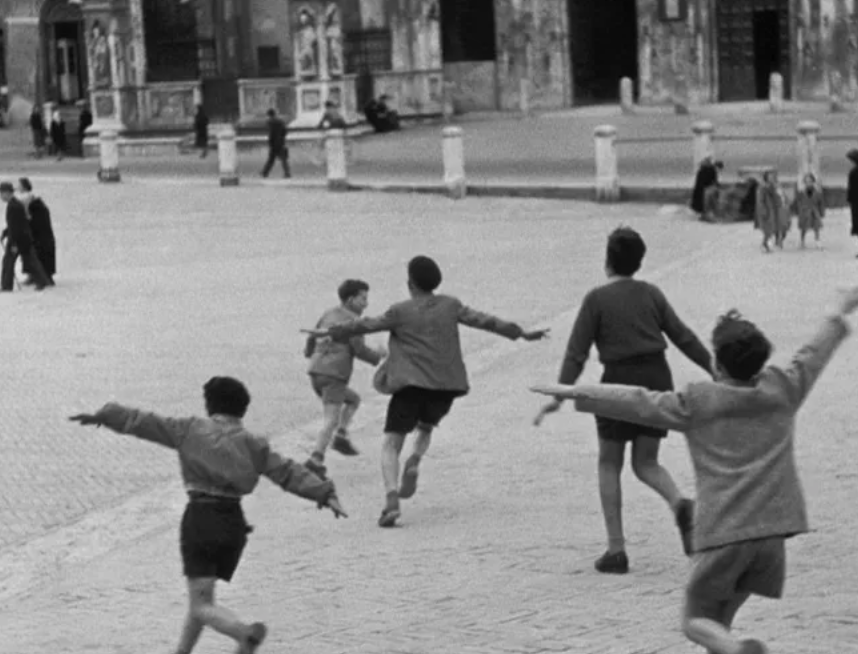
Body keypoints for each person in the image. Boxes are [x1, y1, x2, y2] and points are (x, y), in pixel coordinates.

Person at [532, 286, 858, 654]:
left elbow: (637, 400)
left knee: (695, 621)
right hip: (771, 537)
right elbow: (814, 354)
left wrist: (577, 392)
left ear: (718, 364)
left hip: (724, 536)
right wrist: (838, 312)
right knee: (720, 621)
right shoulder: (783, 388)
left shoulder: (698, 402)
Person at [69, 376, 346, 654]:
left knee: (202, 604)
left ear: (209, 404)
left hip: (201, 518)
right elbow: (287, 472)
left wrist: (105, 415)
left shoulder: (190, 429)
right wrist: (323, 492)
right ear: (242, 410)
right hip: (233, 524)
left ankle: (243, 633)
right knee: (202, 600)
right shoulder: (253, 444)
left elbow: (142, 421)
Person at [309, 255, 549, 528]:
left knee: (390, 443)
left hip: (410, 386)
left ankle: (391, 500)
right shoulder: (450, 305)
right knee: (425, 428)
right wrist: (521, 333)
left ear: (410, 283)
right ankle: (415, 459)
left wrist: (331, 332)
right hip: (446, 387)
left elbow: (365, 324)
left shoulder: (400, 311)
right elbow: (486, 321)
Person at [534, 227, 713, 573]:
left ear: (607, 261)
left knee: (609, 463)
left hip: (616, 383)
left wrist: (561, 393)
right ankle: (680, 503)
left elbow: (576, 353)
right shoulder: (651, 294)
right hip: (655, 380)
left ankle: (616, 550)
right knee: (646, 463)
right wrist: (713, 368)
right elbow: (683, 337)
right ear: (639, 262)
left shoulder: (596, 300)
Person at [303, 279, 384, 478]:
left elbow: (312, 336)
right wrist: (379, 356)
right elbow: (359, 350)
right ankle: (316, 458)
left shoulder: (329, 313)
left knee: (353, 400)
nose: (366, 303)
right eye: (362, 299)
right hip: (334, 375)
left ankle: (341, 434)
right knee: (330, 418)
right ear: (350, 300)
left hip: (316, 372)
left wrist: (309, 353)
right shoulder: (353, 322)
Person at [0, 181, 51, 292]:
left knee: (10, 262)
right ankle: (42, 281)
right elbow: (14, 224)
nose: (0, 196)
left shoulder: (14, 206)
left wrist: (13, 243)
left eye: (2, 193)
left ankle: (6, 286)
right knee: (30, 261)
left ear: (7, 193)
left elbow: (16, 227)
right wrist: (4, 233)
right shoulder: (14, 204)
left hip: (19, 240)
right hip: (23, 239)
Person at [17, 177, 56, 282]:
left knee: (35, 252)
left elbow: (25, 213)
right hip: (39, 231)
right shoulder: (31, 198)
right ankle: (37, 274)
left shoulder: (26, 197)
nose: (17, 187)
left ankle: (37, 275)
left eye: (19, 185)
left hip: (37, 231)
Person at [754, 169, 790, 253]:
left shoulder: (777, 186)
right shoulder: (762, 188)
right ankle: (765, 244)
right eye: (770, 176)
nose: (772, 178)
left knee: (781, 227)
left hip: (778, 210)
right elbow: (760, 200)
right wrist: (763, 211)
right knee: (768, 229)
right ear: (766, 177)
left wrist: (786, 204)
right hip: (768, 211)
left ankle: (777, 242)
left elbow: (783, 197)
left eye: (773, 176)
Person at [792, 173, 825, 249]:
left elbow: (821, 203)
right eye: (807, 181)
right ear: (804, 182)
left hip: (814, 211)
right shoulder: (801, 192)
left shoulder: (817, 192)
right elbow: (797, 202)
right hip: (804, 212)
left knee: (816, 227)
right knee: (803, 228)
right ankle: (802, 241)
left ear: (813, 182)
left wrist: (822, 212)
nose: (808, 183)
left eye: (810, 181)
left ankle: (817, 241)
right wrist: (796, 211)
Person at [261, 107, 291, 179]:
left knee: (271, 159)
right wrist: (282, 138)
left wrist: (270, 142)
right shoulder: (280, 121)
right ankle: (287, 173)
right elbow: (285, 131)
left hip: (274, 143)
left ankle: (265, 173)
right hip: (281, 142)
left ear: (269, 115)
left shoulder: (270, 122)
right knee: (283, 159)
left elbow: (271, 133)